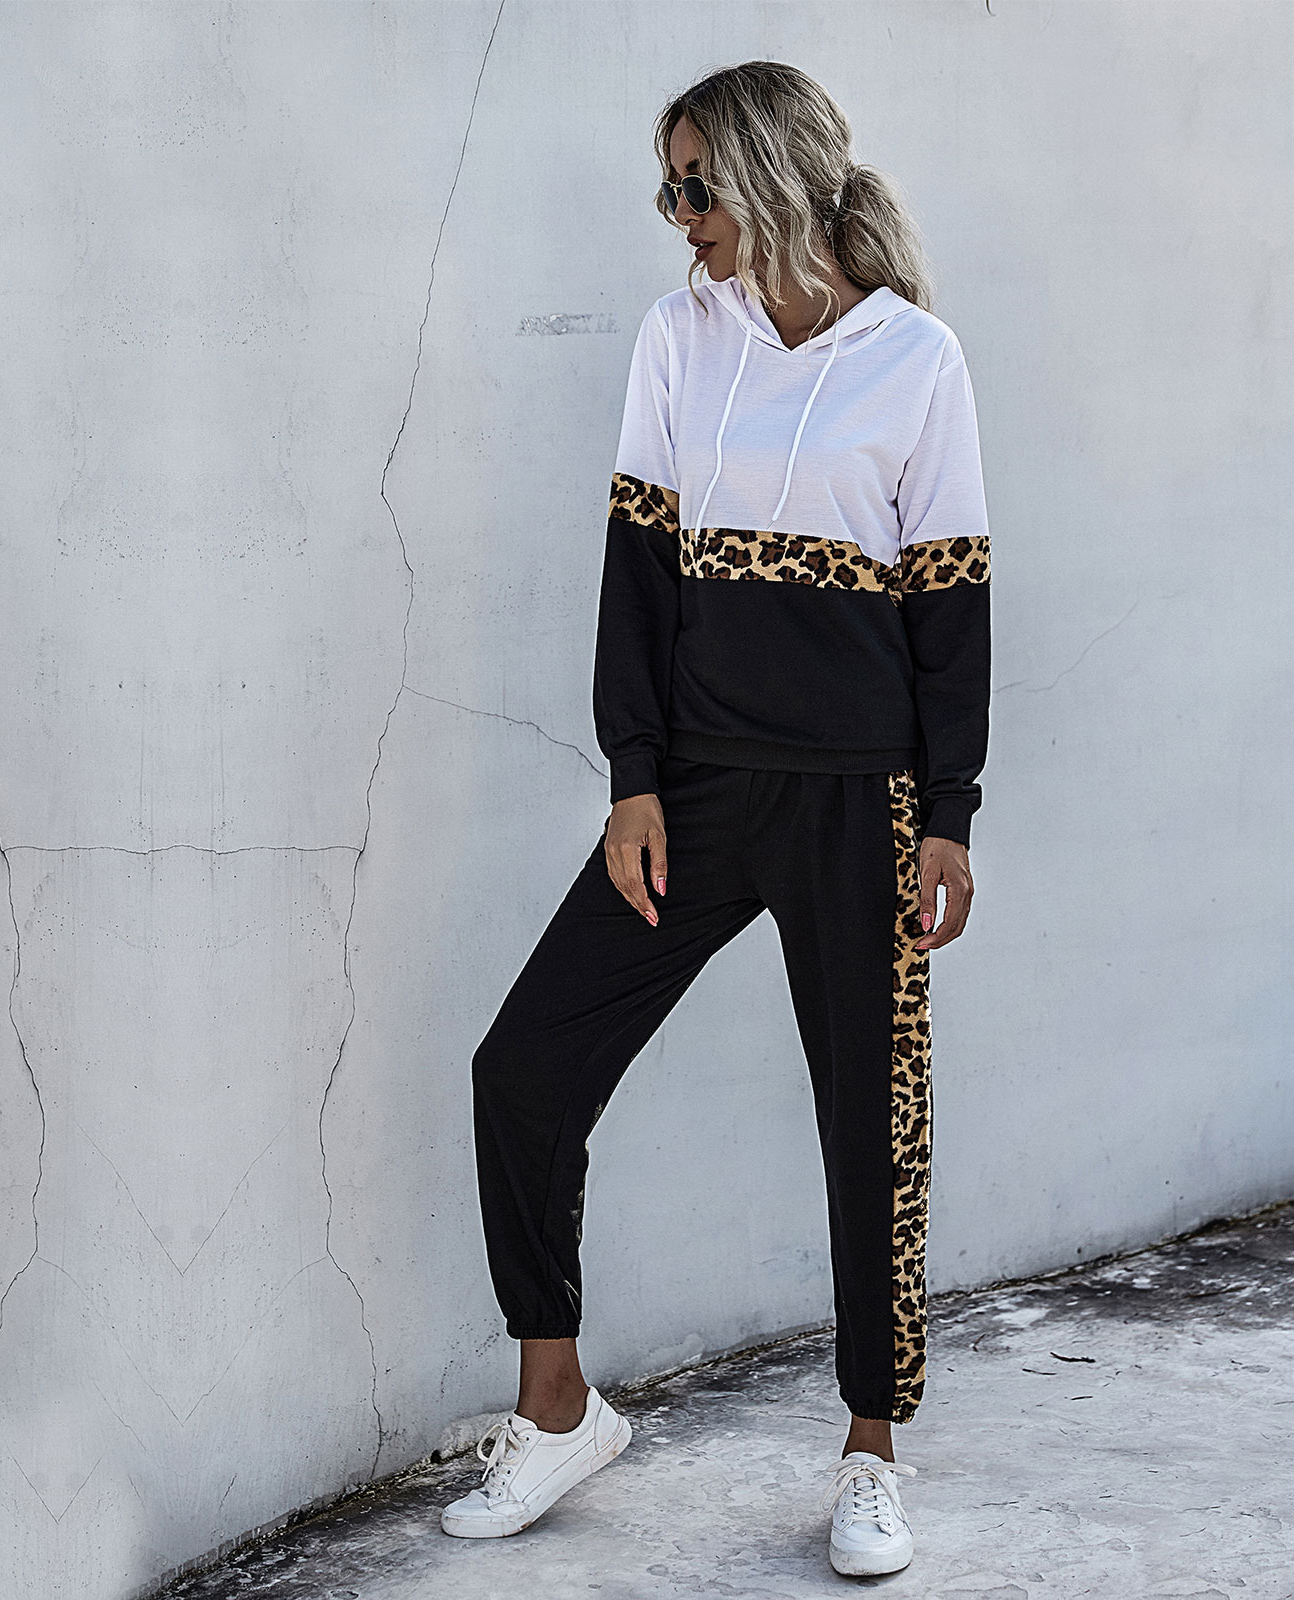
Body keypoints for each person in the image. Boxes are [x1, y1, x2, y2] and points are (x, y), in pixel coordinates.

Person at [443, 60, 992, 1578]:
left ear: (770, 176)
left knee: (868, 1119)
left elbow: (950, 602)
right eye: (669, 186)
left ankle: (871, 1451)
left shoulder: (917, 359)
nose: (676, 214)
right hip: (692, 792)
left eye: (696, 186)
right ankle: (557, 1406)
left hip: (861, 796)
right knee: (523, 1069)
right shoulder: (677, 340)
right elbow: (636, 573)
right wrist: (633, 775)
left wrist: (948, 814)